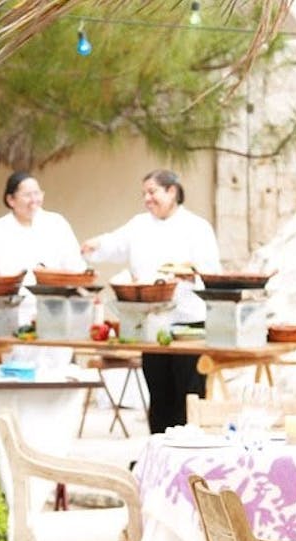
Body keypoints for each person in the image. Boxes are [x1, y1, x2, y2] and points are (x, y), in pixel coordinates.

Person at [81, 169, 221, 433]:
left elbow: (212, 271)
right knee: (158, 394)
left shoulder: (197, 227)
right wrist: (94, 245)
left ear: (172, 191)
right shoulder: (139, 225)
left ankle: (190, 448)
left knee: (189, 395)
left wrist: (191, 273)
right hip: (151, 324)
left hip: (188, 324)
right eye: (144, 193)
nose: (147, 198)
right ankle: (158, 447)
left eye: (152, 191)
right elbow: (114, 244)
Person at [0, 171, 85, 325]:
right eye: (27, 195)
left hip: (54, 311)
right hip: (9, 313)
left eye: (37, 193)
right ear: (11, 199)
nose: (34, 200)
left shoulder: (57, 224)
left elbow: (76, 266)